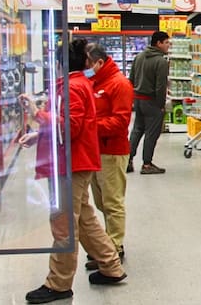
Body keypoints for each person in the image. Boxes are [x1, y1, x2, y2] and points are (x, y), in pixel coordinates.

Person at [21, 38, 126, 304]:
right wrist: (38, 135)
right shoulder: (77, 85)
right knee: (84, 219)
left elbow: (71, 126)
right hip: (74, 161)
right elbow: (68, 126)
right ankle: (111, 266)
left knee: (64, 224)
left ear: (58, 63)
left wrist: (37, 114)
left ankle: (58, 284)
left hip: (71, 163)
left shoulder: (72, 87)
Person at [84, 42, 133, 269]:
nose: (85, 69)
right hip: (95, 150)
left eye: (87, 64)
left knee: (112, 201)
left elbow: (121, 121)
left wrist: (89, 126)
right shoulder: (94, 82)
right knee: (100, 201)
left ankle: (115, 247)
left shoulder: (119, 84)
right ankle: (105, 244)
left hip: (112, 151)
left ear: (99, 62)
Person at [128, 30, 170, 174]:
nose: (168, 46)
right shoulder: (161, 61)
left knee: (137, 130)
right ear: (158, 43)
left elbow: (131, 79)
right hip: (152, 102)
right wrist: (161, 105)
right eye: (166, 43)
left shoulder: (138, 57)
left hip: (138, 100)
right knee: (151, 133)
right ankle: (147, 164)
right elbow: (160, 86)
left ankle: (128, 160)